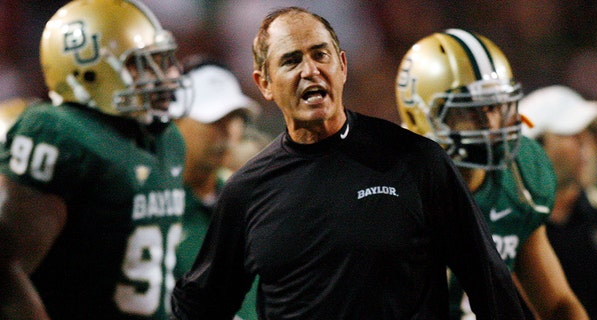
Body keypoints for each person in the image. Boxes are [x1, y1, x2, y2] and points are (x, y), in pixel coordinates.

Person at [171, 7, 527, 320]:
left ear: (341, 65)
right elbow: (201, 306)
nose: (310, 70)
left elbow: (490, 284)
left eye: (320, 55)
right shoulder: (246, 191)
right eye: (291, 60)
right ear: (264, 84)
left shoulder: (416, 160)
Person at [0, 0, 191, 319]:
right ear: (89, 70)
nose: (168, 75)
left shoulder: (166, 139)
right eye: (140, 64)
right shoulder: (58, 133)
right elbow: (5, 267)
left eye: (163, 60)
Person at [395, 29, 588, 319]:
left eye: (495, 106)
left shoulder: (520, 177)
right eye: (470, 112)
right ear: (422, 116)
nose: (491, 125)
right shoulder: (389, 190)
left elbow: (558, 304)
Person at [519, 85, 597, 320]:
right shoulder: (506, 227)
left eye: (588, 133)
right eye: (572, 133)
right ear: (534, 146)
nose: (587, 144)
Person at [172, 59, 263, 320]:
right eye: (214, 120)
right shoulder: (158, 205)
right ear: (176, 121)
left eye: (233, 119)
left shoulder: (250, 202)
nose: (227, 133)